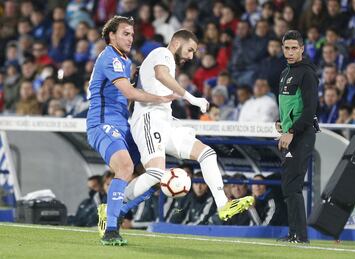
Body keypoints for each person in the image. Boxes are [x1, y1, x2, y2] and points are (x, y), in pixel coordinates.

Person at [121, 29, 254, 226]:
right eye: (190, 50)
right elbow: (161, 74)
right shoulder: (162, 53)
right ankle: (113, 205)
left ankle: (223, 205)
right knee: (156, 173)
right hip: (149, 120)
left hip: (165, 121)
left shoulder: (165, 59)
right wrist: (191, 97)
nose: (191, 56)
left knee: (207, 153)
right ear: (176, 42)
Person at [86, 16, 174, 246]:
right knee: (125, 167)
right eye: (125, 33)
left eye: (132, 34)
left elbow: (130, 95)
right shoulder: (109, 57)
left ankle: (119, 209)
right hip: (102, 124)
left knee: (155, 173)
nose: (130, 38)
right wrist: (163, 98)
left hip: (123, 125)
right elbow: (130, 94)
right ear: (111, 36)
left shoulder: (125, 61)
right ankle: (111, 229)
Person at [276, 30, 318, 244]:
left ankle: (300, 236)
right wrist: (280, 121)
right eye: (286, 48)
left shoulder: (307, 73)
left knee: (293, 185)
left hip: (300, 136)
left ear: (302, 48)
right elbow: (288, 106)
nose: (290, 52)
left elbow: (309, 111)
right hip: (288, 135)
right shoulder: (285, 73)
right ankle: (294, 234)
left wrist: (291, 131)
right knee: (288, 186)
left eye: (294, 48)